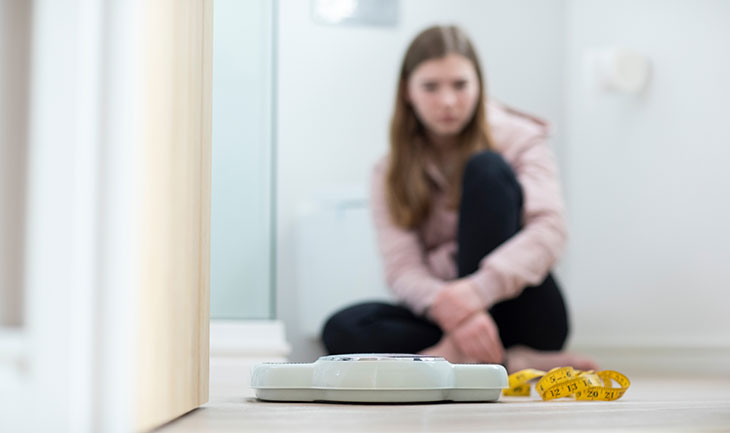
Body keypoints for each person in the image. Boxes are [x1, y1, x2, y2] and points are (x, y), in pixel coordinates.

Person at [321, 25, 598, 373]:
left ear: (479, 85)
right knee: (342, 329)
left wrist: (477, 292)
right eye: (431, 87)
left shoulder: (521, 138)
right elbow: (402, 267)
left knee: (487, 168)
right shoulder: (388, 170)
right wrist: (451, 309)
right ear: (408, 91)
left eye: (460, 85)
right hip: (447, 314)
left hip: (521, 311)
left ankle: (448, 358)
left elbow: (551, 230)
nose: (448, 101)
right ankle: (507, 361)